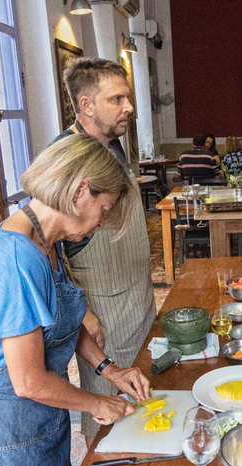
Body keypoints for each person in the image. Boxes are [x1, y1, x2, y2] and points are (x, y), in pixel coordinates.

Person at [0, 135, 152, 466]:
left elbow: (64, 322)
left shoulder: (47, 243)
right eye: (103, 208)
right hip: (4, 426)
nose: (102, 220)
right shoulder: (13, 260)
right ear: (80, 191)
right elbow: (28, 381)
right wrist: (95, 403)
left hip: (38, 418)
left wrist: (110, 370)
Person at [53, 57, 157, 442]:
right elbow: (48, 247)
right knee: (109, 405)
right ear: (86, 105)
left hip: (135, 292)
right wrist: (83, 312)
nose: (128, 107)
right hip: (105, 306)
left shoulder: (109, 146)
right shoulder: (67, 159)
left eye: (127, 97)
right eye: (117, 99)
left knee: (141, 394)